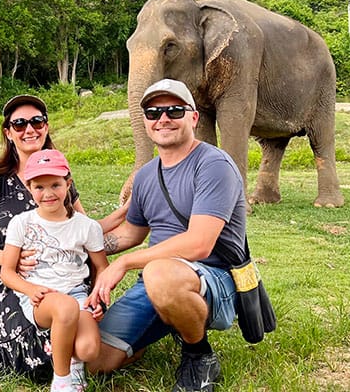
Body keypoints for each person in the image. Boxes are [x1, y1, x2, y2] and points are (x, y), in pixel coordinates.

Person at [86, 78, 248, 392]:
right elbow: (131, 233)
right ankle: (163, 322)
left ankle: (199, 355)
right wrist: (87, 251)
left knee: (160, 272)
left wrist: (123, 265)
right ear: (145, 121)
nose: (163, 118)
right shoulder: (147, 175)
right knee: (95, 361)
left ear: (194, 117)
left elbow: (199, 243)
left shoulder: (214, 165)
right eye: (153, 112)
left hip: (214, 279)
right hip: (157, 283)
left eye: (174, 110)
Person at [0, 94, 128, 380]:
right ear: (8, 133)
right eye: (19, 124)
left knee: (86, 345)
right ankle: (62, 374)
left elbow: (83, 228)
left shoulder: (58, 174)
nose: (29, 129)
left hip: (60, 277)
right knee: (43, 352)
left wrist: (127, 213)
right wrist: (11, 258)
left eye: (36, 121)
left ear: (46, 127)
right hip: (7, 276)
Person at [1, 149, 108, 392]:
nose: (48, 194)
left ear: (68, 184)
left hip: (77, 293)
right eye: (39, 187)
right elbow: (7, 272)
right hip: (41, 297)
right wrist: (30, 289)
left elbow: (101, 267)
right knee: (64, 306)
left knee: (88, 349)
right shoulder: (22, 223)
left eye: (56, 185)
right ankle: (62, 381)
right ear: (29, 188)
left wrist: (98, 296)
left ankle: (75, 363)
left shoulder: (87, 226)